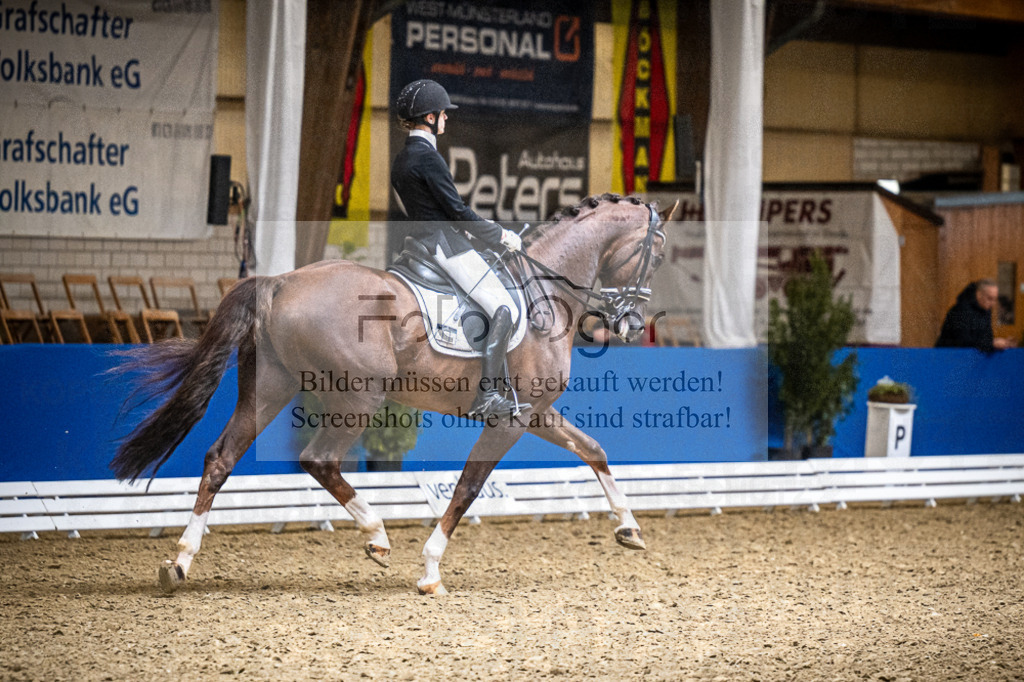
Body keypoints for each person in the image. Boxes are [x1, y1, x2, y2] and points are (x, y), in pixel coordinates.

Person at [390, 79, 529, 419]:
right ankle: (489, 394)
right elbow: (458, 212)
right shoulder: (428, 158)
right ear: (429, 117)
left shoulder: (402, 158)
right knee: (504, 308)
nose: (446, 119)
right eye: (443, 114)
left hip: (420, 243)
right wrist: (500, 236)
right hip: (445, 246)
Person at [935, 278, 1016, 352]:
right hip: (949, 357)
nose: (993, 304)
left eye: (995, 299)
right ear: (979, 294)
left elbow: (986, 337)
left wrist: (1000, 343)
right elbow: (963, 341)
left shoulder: (986, 310)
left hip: (971, 358)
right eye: (990, 298)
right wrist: (991, 344)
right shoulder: (960, 311)